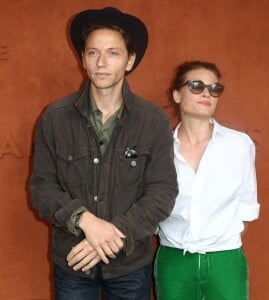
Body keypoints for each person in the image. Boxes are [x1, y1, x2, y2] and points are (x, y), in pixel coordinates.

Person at [29, 7, 178, 300]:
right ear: (83, 59)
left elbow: (162, 192)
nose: (101, 63)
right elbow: (42, 188)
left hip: (130, 266)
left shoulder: (153, 121)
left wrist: (112, 235)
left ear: (130, 60)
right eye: (93, 53)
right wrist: (85, 221)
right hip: (73, 262)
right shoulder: (55, 118)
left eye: (113, 53)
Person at [154, 61, 260, 300]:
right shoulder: (160, 149)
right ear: (177, 94)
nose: (206, 93)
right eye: (196, 85)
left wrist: (219, 242)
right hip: (173, 259)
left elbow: (247, 205)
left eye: (214, 88)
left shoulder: (239, 145)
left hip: (226, 259)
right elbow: (149, 205)